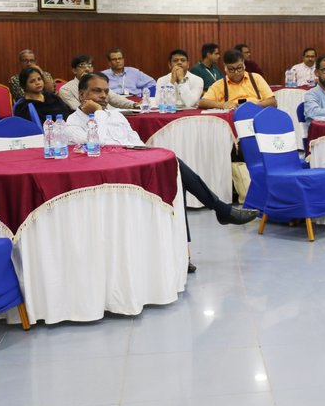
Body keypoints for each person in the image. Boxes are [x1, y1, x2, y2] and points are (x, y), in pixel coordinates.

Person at [63, 74, 259, 271]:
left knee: (174, 170)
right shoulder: (72, 123)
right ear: (82, 95)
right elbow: (99, 144)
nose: (104, 96)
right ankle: (218, 214)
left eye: (106, 91)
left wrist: (148, 157)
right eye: (97, 91)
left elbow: (135, 140)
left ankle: (190, 246)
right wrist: (97, 113)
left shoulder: (115, 114)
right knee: (175, 171)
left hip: (136, 164)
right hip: (113, 176)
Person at [199, 49, 277, 110]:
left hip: (256, 113)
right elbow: (202, 102)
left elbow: (273, 102)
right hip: (233, 117)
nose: (236, 72)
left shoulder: (256, 78)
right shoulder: (220, 84)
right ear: (225, 67)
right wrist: (223, 105)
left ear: (243, 64)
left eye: (239, 68)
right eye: (231, 69)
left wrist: (253, 105)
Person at [59, 54, 137, 112]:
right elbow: (78, 109)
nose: (87, 69)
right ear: (74, 70)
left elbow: (115, 98)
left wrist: (134, 104)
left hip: (111, 114)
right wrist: (99, 110)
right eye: (82, 65)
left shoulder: (98, 83)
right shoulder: (66, 89)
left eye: (90, 65)